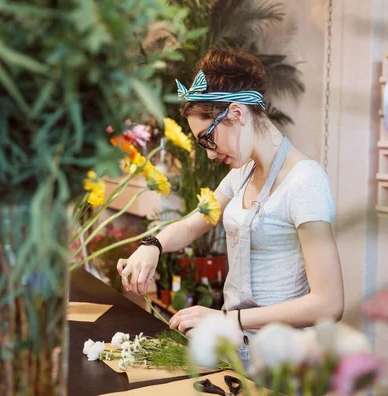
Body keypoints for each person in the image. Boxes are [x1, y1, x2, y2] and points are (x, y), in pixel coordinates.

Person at [117, 48, 344, 360]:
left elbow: (329, 303)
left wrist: (229, 319)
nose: (209, 154)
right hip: (236, 348)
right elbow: (194, 223)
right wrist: (151, 246)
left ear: (237, 114)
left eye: (208, 139)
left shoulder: (305, 182)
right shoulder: (243, 172)